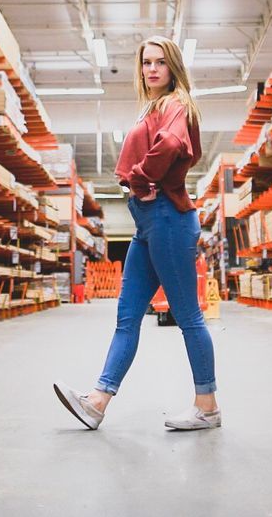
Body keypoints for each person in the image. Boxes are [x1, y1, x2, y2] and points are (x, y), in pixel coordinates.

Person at [53, 35, 220, 431]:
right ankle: (97, 402)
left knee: (188, 316)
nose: (152, 69)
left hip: (167, 217)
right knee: (126, 317)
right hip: (147, 224)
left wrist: (140, 177)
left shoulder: (175, 105)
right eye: (146, 62)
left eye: (160, 62)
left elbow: (173, 144)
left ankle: (207, 406)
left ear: (173, 66)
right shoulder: (153, 107)